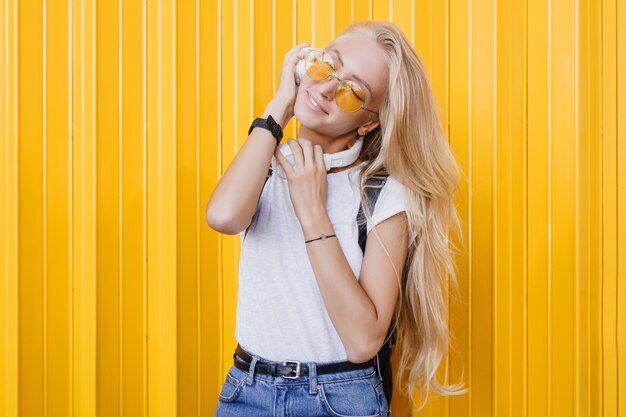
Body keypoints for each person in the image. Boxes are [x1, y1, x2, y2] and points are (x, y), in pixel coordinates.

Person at [207, 20, 468, 417]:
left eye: (353, 92)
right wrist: (279, 106)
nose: (327, 88)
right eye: (328, 65)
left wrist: (314, 214)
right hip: (247, 390)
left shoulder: (383, 192)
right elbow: (223, 216)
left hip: (338, 398)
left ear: (369, 122)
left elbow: (364, 341)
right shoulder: (264, 161)